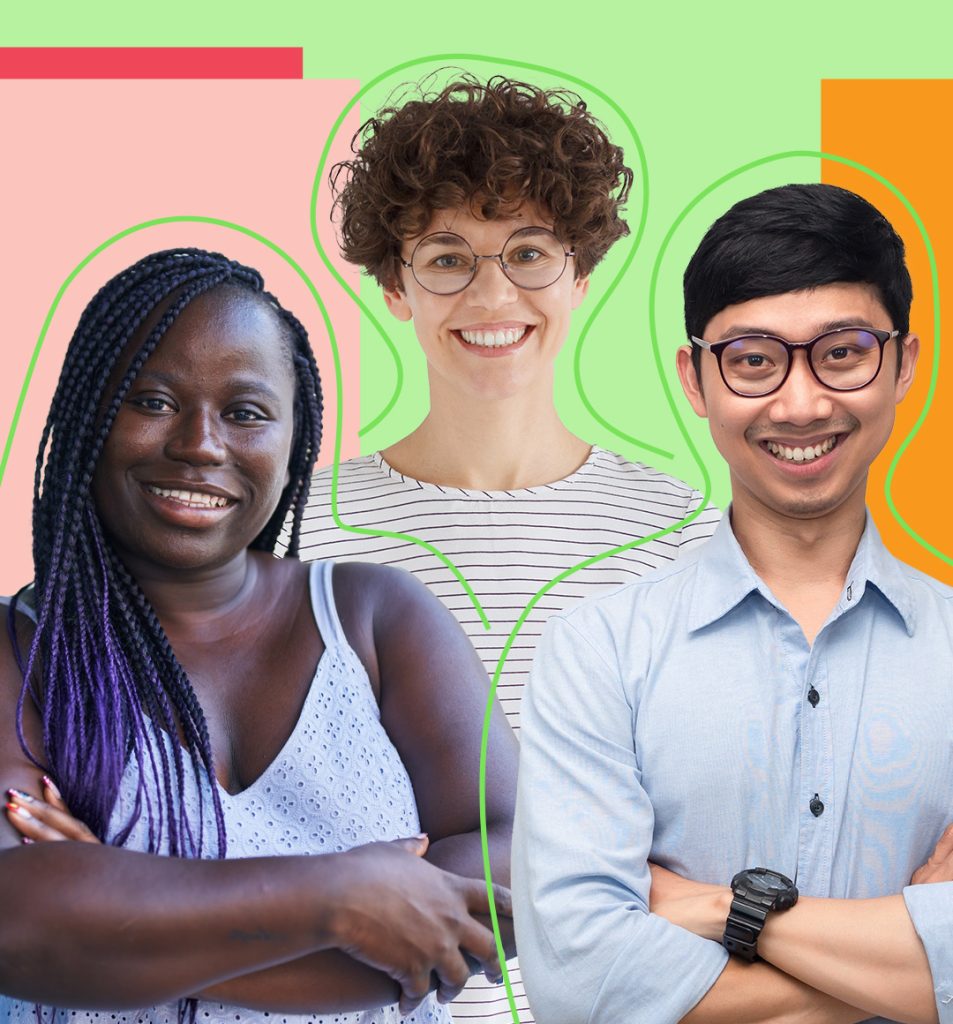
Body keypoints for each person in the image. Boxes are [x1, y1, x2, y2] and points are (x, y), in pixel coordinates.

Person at [0, 247, 518, 1024]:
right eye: (152, 400)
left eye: (244, 413)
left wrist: (130, 922)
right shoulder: (16, 652)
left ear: (292, 444)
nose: (201, 444)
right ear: (87, 420)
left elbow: (512, 884)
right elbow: (20, 925)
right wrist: (341, 895)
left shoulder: (376, 617)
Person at [297, 75, 721, 1024]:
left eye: (528, 252)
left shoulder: (683, 538)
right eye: (447, 257)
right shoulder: (301, 534)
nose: (493, 294)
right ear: (395, 286)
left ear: (578, 274)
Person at [513, 183, 953, 1024]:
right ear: (696, 377)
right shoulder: (598, 650)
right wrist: (912, 971)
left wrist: (714, 907)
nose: (799, 403)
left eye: (842, 351)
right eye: (753, 358)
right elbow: (578, 985)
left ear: (902, 364)